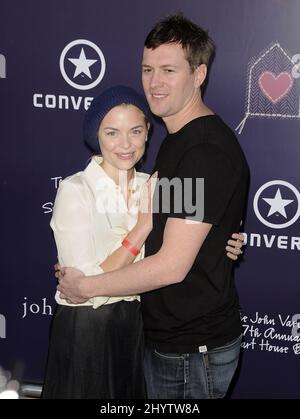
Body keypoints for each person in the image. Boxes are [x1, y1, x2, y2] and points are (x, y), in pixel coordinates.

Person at [56, 14, 249, 399]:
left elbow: (172, 264)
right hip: (167, 339)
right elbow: (179, 232)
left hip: (192, 350)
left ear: (198, 75)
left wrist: (86, 286)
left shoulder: (202, 152)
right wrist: (219, 243)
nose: (154, 83)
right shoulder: (176, 137)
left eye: (168, 70)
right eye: (147, 69)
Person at [42, 85, 155, 398]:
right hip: (87, 330)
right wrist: (141, 229)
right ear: (96, 135)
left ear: (147, 131)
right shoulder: (75, 189)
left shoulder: (159, 184)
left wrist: (230, 240)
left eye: (135, 131)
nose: (125, 145)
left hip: (138, 327)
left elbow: (200, 235)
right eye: (112, 133)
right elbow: (84, 287)